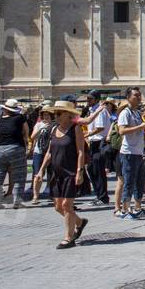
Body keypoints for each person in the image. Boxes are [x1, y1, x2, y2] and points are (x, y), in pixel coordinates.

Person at [33, 101, 89, 249]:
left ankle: (68, 238)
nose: (55, 116)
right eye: (55, 113)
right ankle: (79, 222)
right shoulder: (54, 129)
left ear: (68, 114)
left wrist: (79, 171)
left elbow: (81, 152)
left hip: (71, 172)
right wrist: (41, 170)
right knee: (58, 207)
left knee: (66, 205)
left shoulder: (75, 129)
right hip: (56, 173)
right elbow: (49, 153)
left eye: (58, 113)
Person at [116, 87, 145, 219]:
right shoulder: (125, 113)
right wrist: (140, 127)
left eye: (139, 95)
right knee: (129, 182)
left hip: (138, 152)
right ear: (128, 97)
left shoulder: (136, 113)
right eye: (136, 95)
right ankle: (125, 210)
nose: (139, 97)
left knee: (140, 182)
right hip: (128, 153)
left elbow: (140, 132)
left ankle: (137, 207)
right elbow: (122, 131)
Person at [0, 98, 30, 209]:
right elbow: (26, 131)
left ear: (5, 109)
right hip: (16, 147)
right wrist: (25, 140)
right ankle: (17, 202)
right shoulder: (20, 118)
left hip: (0, 149)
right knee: (19, 175)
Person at [78, 91, 110, 205]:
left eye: (90, 99)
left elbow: (100, 128)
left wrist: (87, 135)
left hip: (99, 142)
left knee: (98, 170)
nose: (88, 101)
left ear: (96, 99)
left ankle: (103, 197)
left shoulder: (100, 111)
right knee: (91, 169)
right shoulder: (92, 110)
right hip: (93, 142)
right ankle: (99, 195)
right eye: (87, 98)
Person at [28, 106, 54, 205]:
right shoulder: (39, 124)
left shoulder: (55, 125)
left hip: (51, 152)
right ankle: (35, 196)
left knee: (52, 174)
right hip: (38, 152)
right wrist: (41, 128)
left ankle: (52, 195)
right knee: (37, 174)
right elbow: (32, 137)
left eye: (48, 115)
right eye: (44, 115)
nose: (46, 117)